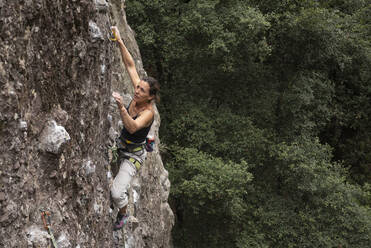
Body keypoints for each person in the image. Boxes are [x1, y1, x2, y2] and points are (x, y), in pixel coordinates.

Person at [110, 26, 160, 231]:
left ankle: (123, 214)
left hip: (133, 155)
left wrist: (122, 107)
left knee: (115, 193)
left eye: (141, 90)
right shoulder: (140, 91)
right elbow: (130, 65)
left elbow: (132, 127)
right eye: (137, 87)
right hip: (122, 145)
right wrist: (120, 41)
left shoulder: (148, 112)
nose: (136, 91)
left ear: (150, 97)